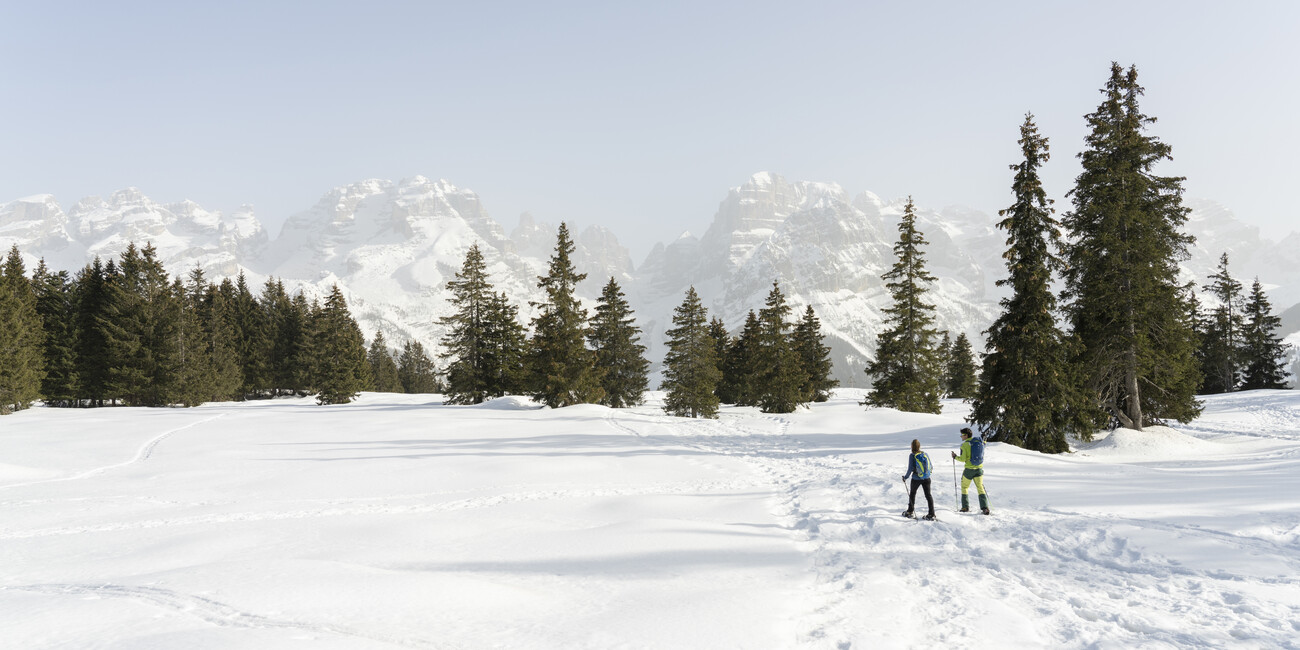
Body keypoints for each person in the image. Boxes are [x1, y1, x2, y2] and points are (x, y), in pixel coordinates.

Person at [952, 427, 991, 515]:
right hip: (979, 469)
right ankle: (985, 508)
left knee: (965, 487)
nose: (961, 436)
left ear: (966, 435)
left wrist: (955, 457)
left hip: (969, 470)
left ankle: (965, 507)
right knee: (980, 488)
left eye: (962, 435)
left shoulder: (964, 445)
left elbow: (962, 459)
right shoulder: (978, 442)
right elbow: (984, 444)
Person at [901, 438, 936, 520]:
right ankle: (931, 514)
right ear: (919, 446)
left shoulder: (912, 455)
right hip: (927, 478)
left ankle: (910, 511)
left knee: (912, 494)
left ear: (911, 446)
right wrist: (926, 474)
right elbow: (931, 466)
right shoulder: (925, 454)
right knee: (928, 495)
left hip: (916, 478)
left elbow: (910, 469)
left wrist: (905, 477)